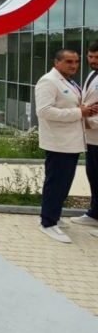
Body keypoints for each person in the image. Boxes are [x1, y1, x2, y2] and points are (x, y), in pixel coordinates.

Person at [35, 49, 98, 243]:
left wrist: (83, 113)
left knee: (63, 184)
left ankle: (54, 216)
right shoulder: (48, 81)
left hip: (71, 142)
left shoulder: (69, 82)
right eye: (69, 61)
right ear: (57, 62)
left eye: (77, 62)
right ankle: (48, 223)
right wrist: (79, 113)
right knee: (56, 184)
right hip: (58, 142)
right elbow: (45, 111)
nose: (73, 65)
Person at [73, 42, 98, 233]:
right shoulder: (92, 74)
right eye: (90, 57)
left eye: (97, 57)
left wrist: (87, 119)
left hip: (94, 129)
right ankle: (94, 213)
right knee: (93, 175)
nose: (93, 61)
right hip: (91, 137)